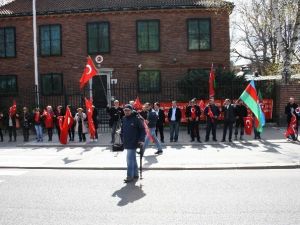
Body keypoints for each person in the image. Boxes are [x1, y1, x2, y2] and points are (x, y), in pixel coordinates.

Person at [121, 104, 145, 183]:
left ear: (131, 110)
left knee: (129, 159)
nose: (126, 112)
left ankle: (129, 176)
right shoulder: (124, 118)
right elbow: (123, 129)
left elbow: (142, 130)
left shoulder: (136, 119)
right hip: (127, 142)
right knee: (133, 159)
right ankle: (135, 174)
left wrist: (141, 140)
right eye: (125, 110)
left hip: (134, 142)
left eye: (128, 110)